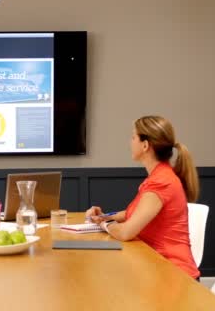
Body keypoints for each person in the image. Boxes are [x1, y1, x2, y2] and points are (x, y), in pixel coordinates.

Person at [85, 115, 200, 280]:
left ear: (145, 145)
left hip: (176, 276)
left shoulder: (161, 182)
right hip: (159, 269)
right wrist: (103, 216)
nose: (130, 142)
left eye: (133, 137)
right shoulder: (159, 177)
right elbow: (130, 214)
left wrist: (105, 224)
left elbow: (125, 233)